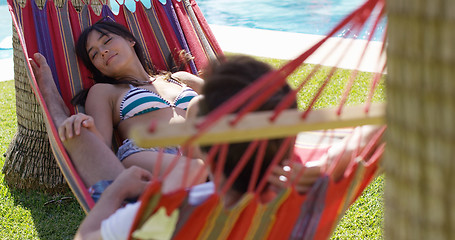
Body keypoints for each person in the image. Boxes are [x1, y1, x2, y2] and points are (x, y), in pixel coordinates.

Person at [73, 55, 383, 240]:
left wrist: (118, 191)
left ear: (198, 148)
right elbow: (367, 137)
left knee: (92, 159)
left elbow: (86, 237)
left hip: (143, 190)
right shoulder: (318, 192)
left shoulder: (171, 213)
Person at [30, 19, 207, 201]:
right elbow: (100, 149)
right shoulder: (104, 92)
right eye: (94, 55)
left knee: (200, 105)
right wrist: (84, 126)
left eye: (106, 41)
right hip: (150, 153)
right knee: (197, 171)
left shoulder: (181, 79)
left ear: (130, 40)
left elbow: (231, 104)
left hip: (202, 146)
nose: (103, 51)